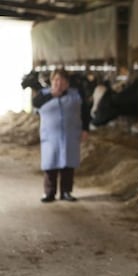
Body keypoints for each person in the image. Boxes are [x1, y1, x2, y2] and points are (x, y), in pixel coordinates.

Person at [32, 68, 89, 203]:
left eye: (63, 80)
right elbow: (35, 104)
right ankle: (49, 193)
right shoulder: (43, 95)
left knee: (68, 164)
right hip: (50, 137)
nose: (59, 83)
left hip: (70, 135)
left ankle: (66, 192)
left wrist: (85, 129)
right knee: (50, 164)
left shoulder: (76, 95)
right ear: (52, 81)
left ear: (67, 83)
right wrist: (52, 95)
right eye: (56, 80)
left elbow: (85, 112)